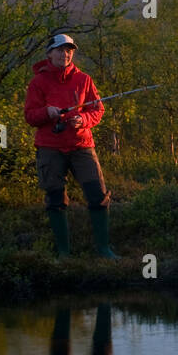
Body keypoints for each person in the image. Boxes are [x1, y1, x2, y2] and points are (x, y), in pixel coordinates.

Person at [24, 33, 120, 258]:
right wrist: (46, 112)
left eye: (69, 50)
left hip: (81, 144)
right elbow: (30, 116)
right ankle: (64, 253)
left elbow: (97, 110)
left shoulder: (84, 79)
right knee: (55, 199)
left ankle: (104, 249)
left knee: (98, 195)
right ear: (49, 53)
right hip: (49, 147)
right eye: (59, 50)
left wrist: (83, 120)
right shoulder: (38, 82)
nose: (64, 54)